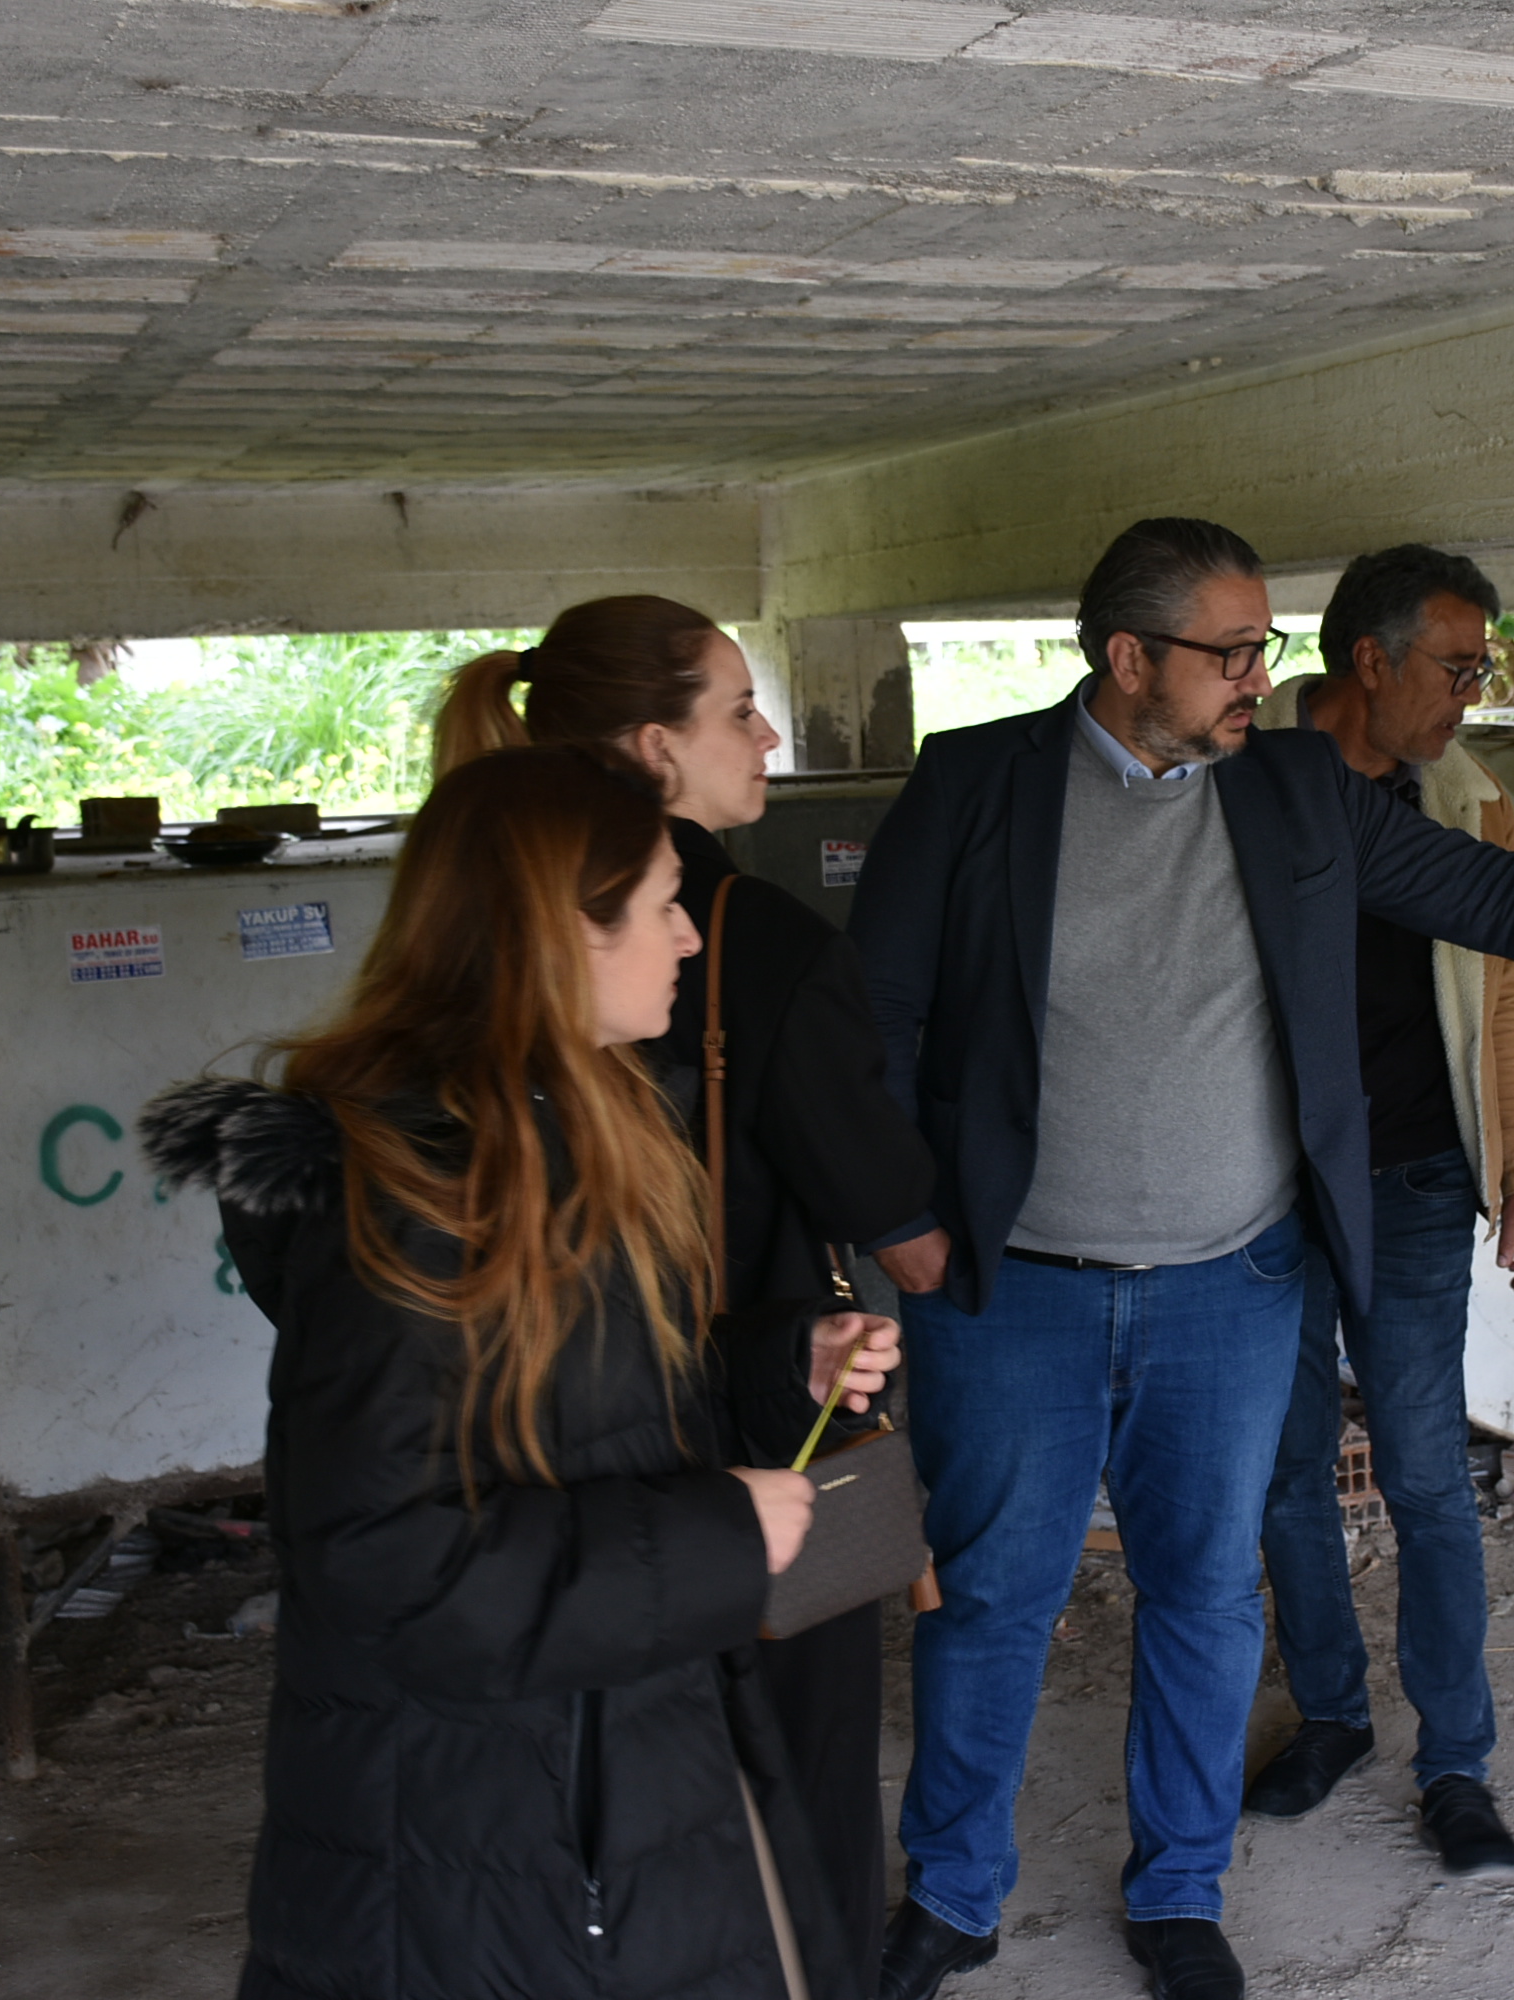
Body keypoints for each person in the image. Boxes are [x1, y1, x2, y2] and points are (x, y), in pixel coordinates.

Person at [850, 517, 1514, 2000]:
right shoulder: (975, 785)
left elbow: (1493, 898)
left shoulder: (1292, 791)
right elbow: (876, 1013)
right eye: (1229, 653)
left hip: (1226, 1287)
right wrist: (899, 1225)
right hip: (1014, 1293)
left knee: (1206, 1594)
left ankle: (1179, 1892)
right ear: (1127, 658)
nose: (1257, 676)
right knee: (995, 1597)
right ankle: (952, 1898)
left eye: (1262, 646)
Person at [142, 746, 902, 2000]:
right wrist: (717, 1533)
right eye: (660, 904)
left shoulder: (570, 1128)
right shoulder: (421, 1205)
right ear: (559, 935)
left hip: (602, 1776)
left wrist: (779, 1363)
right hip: (489, 1852)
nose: (688, 936)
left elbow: (582, 1404)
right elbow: (386, 1558)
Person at [436, 599, 938, 1971]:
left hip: (654, 1430)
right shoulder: (757, 937)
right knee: (804, 1769)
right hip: (771, 1430)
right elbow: (889, 1212)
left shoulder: (475, 990)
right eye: (738, 710)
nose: (769, 735)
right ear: (654, 747)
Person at [1245, 544, 1514, 1875]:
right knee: (1285, 1468)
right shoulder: (1242, 780)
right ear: (1367, 661)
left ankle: (1456, 1763)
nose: (1469, 696)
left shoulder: (1470, 806)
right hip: (1263, 1183)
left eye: (1480, 670)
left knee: (1427, 1473)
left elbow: (1500, 999)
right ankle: (1330, 1714)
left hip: (1421, 1177)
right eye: (1455, 667)